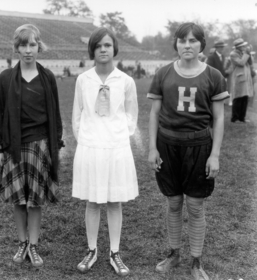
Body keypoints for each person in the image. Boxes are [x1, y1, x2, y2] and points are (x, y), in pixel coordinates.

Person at [147, 22, 228, 280]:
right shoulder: (163, 73)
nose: (187, 45)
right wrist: (152, 148)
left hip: (199, 146)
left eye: (193, 41)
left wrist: (214, 154)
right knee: (173, 202)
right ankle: (174, 253)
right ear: (176, 44)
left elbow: (219, 117)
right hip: (168, 145)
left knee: (195, 206)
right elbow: (154, 113)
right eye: (183, 41)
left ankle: (196, 259)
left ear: (201, 44)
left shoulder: (213, 75)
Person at [0, 24, 64, 268]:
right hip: (13, 145)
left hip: (40, 145)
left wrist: (55, 148)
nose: (28, 50)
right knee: (18, 199)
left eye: (32, 44)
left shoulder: (48, 77)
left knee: (34, 200)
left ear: (39, 46)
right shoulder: (5, 78)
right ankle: (21, 241)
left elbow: (55, 116)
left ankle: (33, 244)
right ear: (16, 48)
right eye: (23, 45)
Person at [72, 27, 139, 277]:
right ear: (92, 49)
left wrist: (120, 135)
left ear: (114, 49)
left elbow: (132, 113)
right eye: (98, 45)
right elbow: (77, 114)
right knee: (92, 200)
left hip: (116, 147)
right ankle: (92, 250)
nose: (103, 49)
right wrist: (86, 139)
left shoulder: (126, 81)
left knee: (113, 200)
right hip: (91, 147)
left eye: (107, 45)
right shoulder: (83, 79)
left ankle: (114, 251)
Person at [227, 38, 254, 122]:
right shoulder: (233, 54)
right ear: (238, 47)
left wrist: (249, 54)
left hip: (246, 79)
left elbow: (250, 63)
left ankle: (242, 118)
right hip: (239, 79)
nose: (244, 47)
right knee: (238, 98)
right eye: (243, 46)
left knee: (245, 99)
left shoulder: (244, 53)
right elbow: (241, 63)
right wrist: (246, 53)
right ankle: (234, 118)